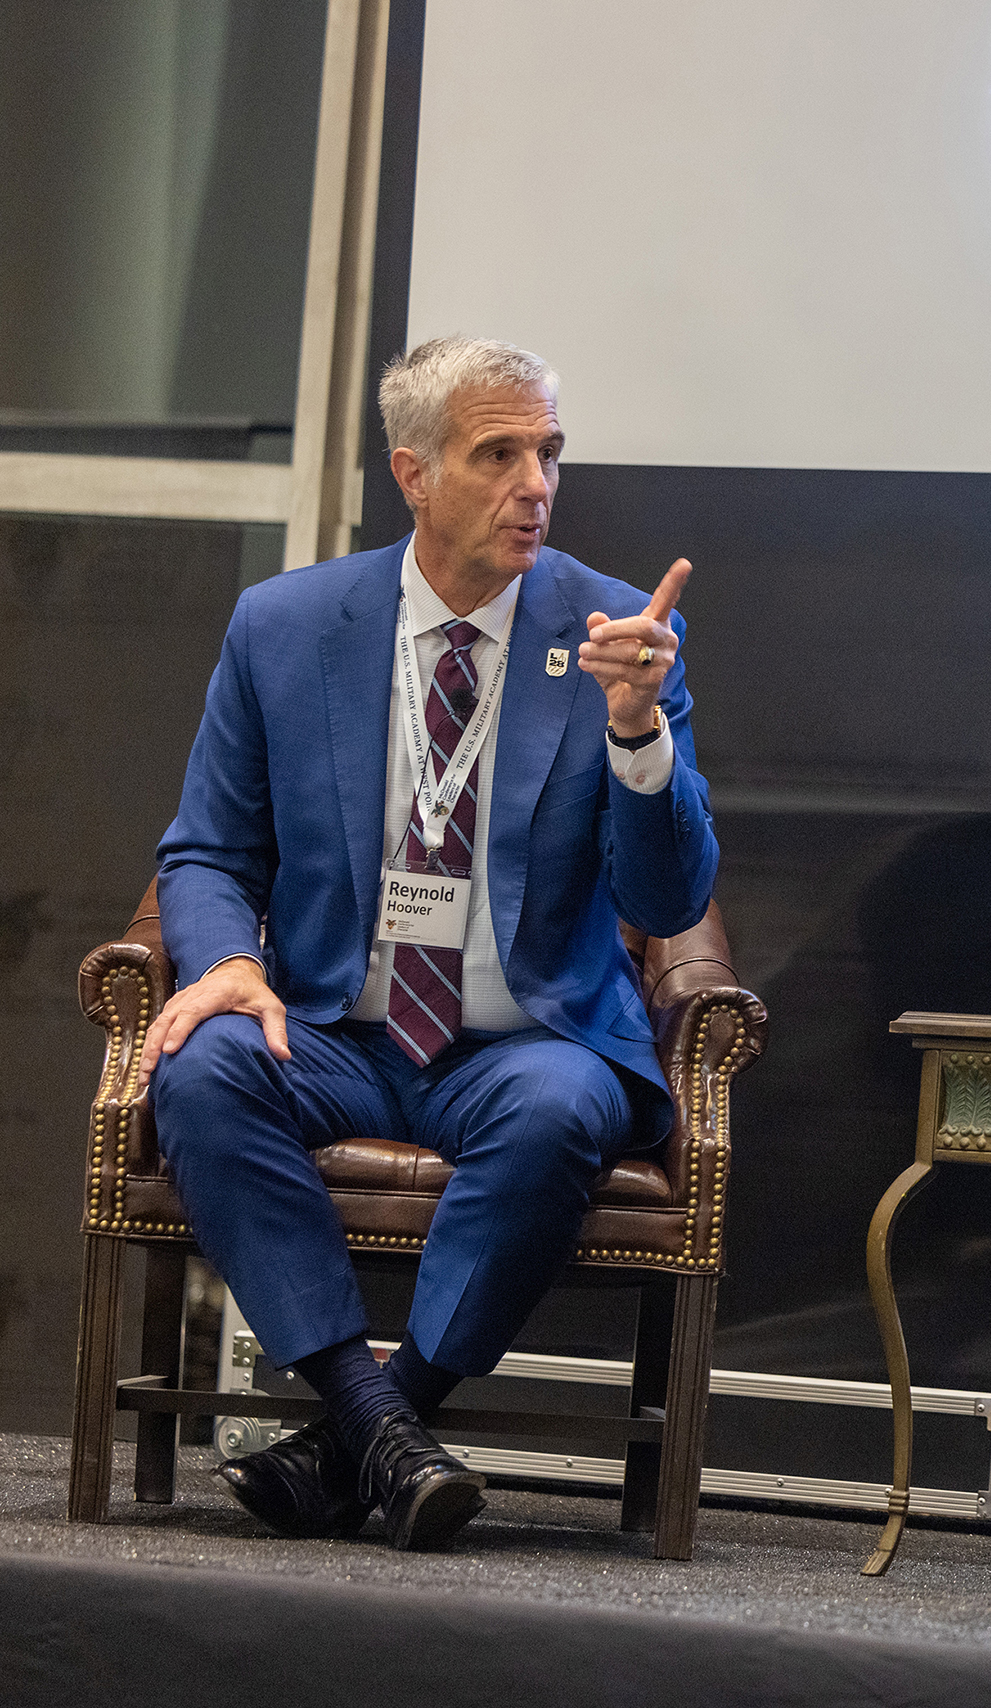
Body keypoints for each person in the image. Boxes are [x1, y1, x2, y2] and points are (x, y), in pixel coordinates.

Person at [141, 335, 717, 1551]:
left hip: (521, 1038)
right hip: (342, 1025)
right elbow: (205, 851)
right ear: (413, 473)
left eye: (548, 453)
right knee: (201, 1067)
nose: (536, 485)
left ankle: (359, 1432)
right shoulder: (286, 627)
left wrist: (639, 735)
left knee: (563, 1107)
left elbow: (667, 902)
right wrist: (226, 966)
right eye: (497, 453)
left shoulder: (616, 633)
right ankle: (378, 1430)